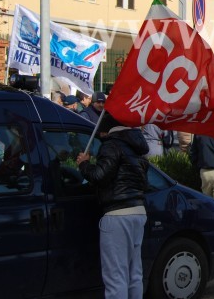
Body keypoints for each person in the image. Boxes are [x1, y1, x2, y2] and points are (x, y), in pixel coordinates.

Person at [76, 114, 149, 298]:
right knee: (135, 274)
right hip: (138, 211)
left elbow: (100, 175)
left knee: (116, 276)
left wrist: (84, 165)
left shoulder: (111, 145)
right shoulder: (136, 147)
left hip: (116, 214)